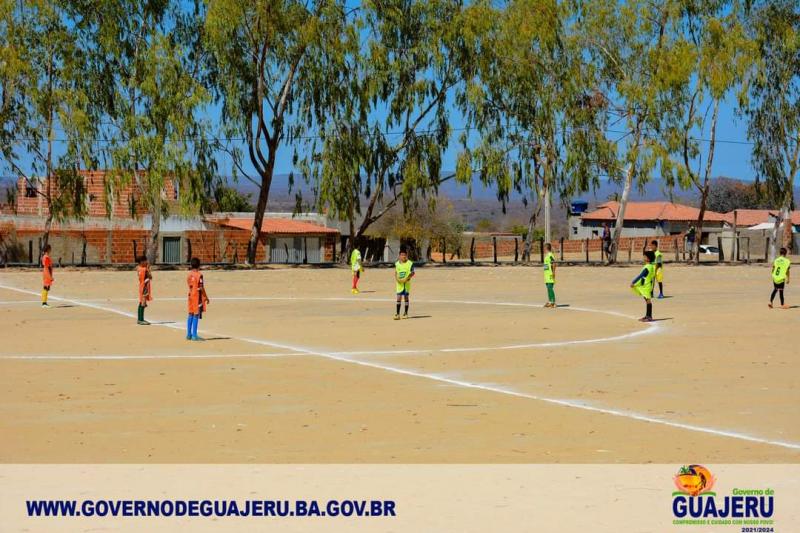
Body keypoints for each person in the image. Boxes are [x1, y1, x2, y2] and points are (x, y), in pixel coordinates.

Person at [187, 257, 210, 340]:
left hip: (190, 295)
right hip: (197, 296)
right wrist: (206, 297)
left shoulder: (189, 274)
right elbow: (201, 287)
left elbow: (189, 284)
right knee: (196, 314)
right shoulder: (199, 275)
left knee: (190, 313)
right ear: (199, 265)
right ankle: (194, 335)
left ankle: (188, 334)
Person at [630, 250, 656, 322]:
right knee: (647, 300)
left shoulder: (648, 266)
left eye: (645, 256)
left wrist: (633, 282)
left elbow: (641, 275)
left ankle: (649, 316)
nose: (643, 258)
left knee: (648, 300)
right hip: (647, 285)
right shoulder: (650, 266)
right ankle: (647, 316)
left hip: (646, 285)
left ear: (648, 259)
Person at [394, 246, 415, 320]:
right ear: (399, 256)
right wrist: (397, 279)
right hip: (399, 284)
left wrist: (407, 278)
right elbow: (396, 272)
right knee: (398, 298)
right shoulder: (397, 264)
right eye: (402, 255)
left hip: (406, 284)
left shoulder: (410, 263)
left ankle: (406, 313)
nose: (403, 256)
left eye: (404, 255)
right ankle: (397, 314)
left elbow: (412, 273)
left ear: (406, 256)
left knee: (406, 297)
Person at [136, 255, 152, 325]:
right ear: (142, 262)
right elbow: (150, 277)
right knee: (143, 303)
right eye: (145, 261)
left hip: (141, 286)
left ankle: (140, 319)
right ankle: (140, 319)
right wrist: (148, 269)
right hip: (144, 286)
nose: (146, 262)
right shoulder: (144, 269)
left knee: (141, 302)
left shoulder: (138, 268)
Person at [543, 242, 557, 308]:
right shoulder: (546, 255)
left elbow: (554, 263)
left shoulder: (550, 255)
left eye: (544, 247)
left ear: (546, 248)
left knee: (550, 288)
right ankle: (549, 301)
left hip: (550, 274)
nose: (543, 248)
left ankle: (553, 302)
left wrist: (553, 272)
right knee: (548, 288)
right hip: (546, 274)